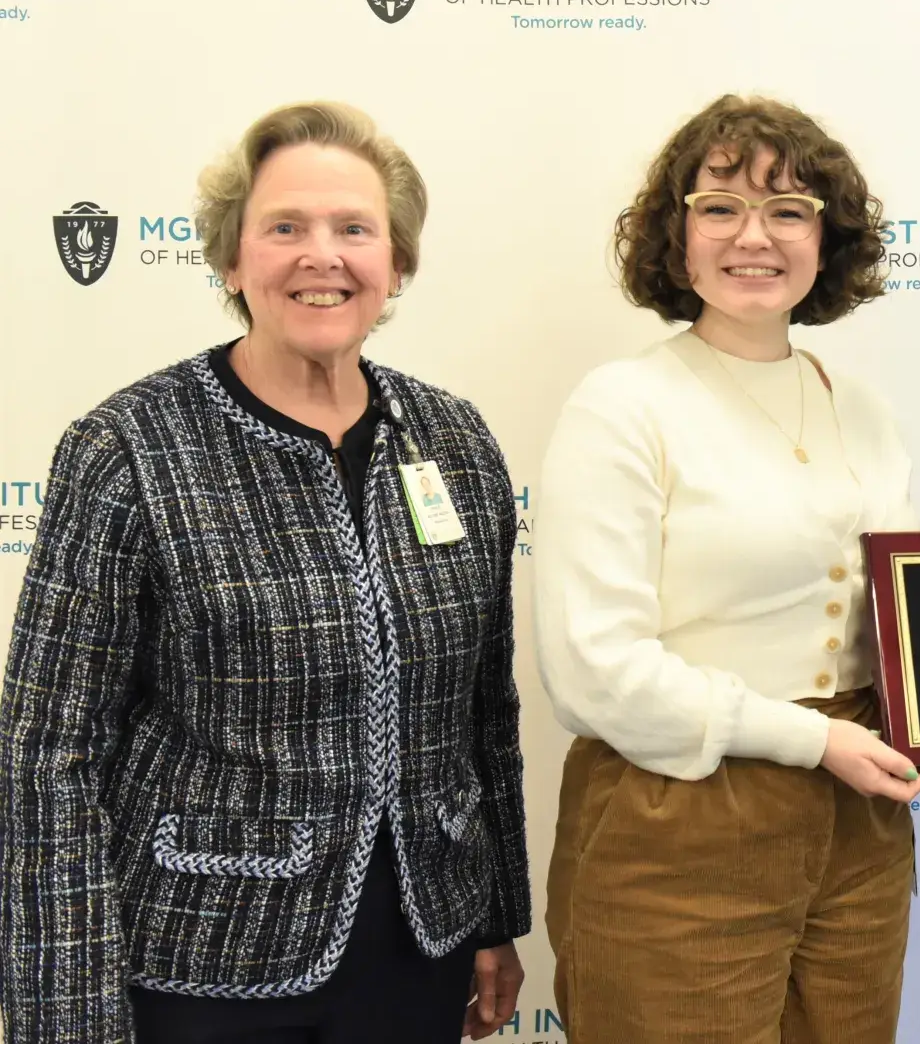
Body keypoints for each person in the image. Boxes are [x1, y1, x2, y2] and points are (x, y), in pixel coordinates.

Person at [0, 100, 531, 1044]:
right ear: (231, 259)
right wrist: (65, 1012)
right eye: (284, 228)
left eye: (354, 230)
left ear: (395, 262)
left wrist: (496, 915)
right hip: (201, 959)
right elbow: (48, 752)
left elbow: (483, 709)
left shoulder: (454, 439)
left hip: (417, 950)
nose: (320, 256)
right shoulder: (130, 447)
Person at [535, 94, 920, 1044]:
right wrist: (814, 741)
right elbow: (595, 671)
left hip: (861, 821)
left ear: (826, 240)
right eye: (719, 207)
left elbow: (904, 624)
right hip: (678, 816)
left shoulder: (865, 410)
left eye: (789, 210)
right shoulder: (624, 405)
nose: (753, 236)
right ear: (675, 238)